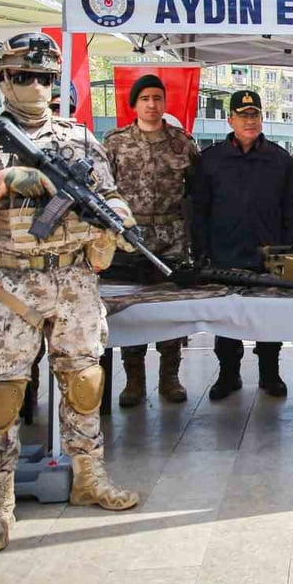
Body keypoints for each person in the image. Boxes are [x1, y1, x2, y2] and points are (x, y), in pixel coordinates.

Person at [0, 32, 139, 553]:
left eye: (44, 78)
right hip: (9, 282)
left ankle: (89, 476)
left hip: (74, 281)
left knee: (86, 381)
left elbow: (111, 196)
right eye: (22, 76)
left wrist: (115, 226)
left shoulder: (80, 139)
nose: (34, 86)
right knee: (2, 396)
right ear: (1, 78)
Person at [193, 90, 293, 400]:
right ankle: (228, 376)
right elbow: (199, 209)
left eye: (254, 115)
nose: (249, 121)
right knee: (227, 320)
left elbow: (292, 207)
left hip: (268, 256)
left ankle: (270, 374)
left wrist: (290, 249)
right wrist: (202, 250)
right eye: (243, 116)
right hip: (224, 254)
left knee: (268, 318)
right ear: (230, 120)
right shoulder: (211, 159)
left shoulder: (279, 158)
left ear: (261, 118)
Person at [103, 74, 199, 406]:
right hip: (130, 239)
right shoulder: (115, 142)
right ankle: (134, 380)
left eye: (157, 98)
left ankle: (170, 378)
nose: (152, 104)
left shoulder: (182, 143)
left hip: (171, 237)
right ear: (135, 104)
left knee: (169, 308)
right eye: (145, 98)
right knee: (133, 309)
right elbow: (103, 191)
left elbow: (196, 192)